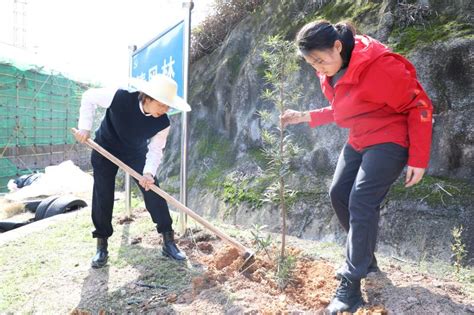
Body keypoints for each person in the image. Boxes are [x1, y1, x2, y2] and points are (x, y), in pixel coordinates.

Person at [281, 20, 433, 314]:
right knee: (338, 193)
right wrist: (305, 116)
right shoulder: (331, 68)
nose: (318, 67)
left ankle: (351, 286)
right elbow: (346, 108)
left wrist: (418, 158)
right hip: (360, 137)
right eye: (311, 62)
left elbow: (420, 104)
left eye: (320, 60)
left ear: (337, 46)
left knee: (361, 200)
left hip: (390, 137)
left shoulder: (380, 66)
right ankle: (364, 258)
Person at [75, 74, 191, 268]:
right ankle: (101, 245)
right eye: (162, 105)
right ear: (147, 97)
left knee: (153, 190)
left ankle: (168, 241)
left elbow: (155, 150)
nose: (165, 110)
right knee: (103, 194)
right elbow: (88, 96)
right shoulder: (119, 97)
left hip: (134, 153)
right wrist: (84, 128)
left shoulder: (163, 123)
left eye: (168, 106)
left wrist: (148, 173)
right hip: (105, 148)